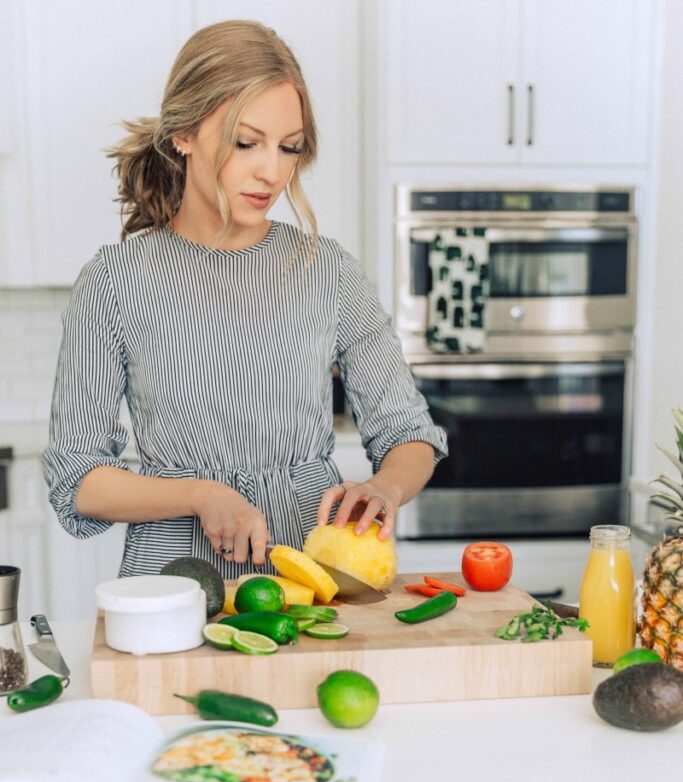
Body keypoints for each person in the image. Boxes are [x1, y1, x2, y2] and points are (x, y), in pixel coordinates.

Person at [43, 20, 447, 579]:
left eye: (289, 148)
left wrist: (385, 487)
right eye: (245, 142)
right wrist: (199, 494)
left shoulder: (327, 270)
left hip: (313, 581)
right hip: (177, 585)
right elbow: (78, 478)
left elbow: (409, 433)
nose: (272, 172)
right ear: (183, 133)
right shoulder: (114, 281)